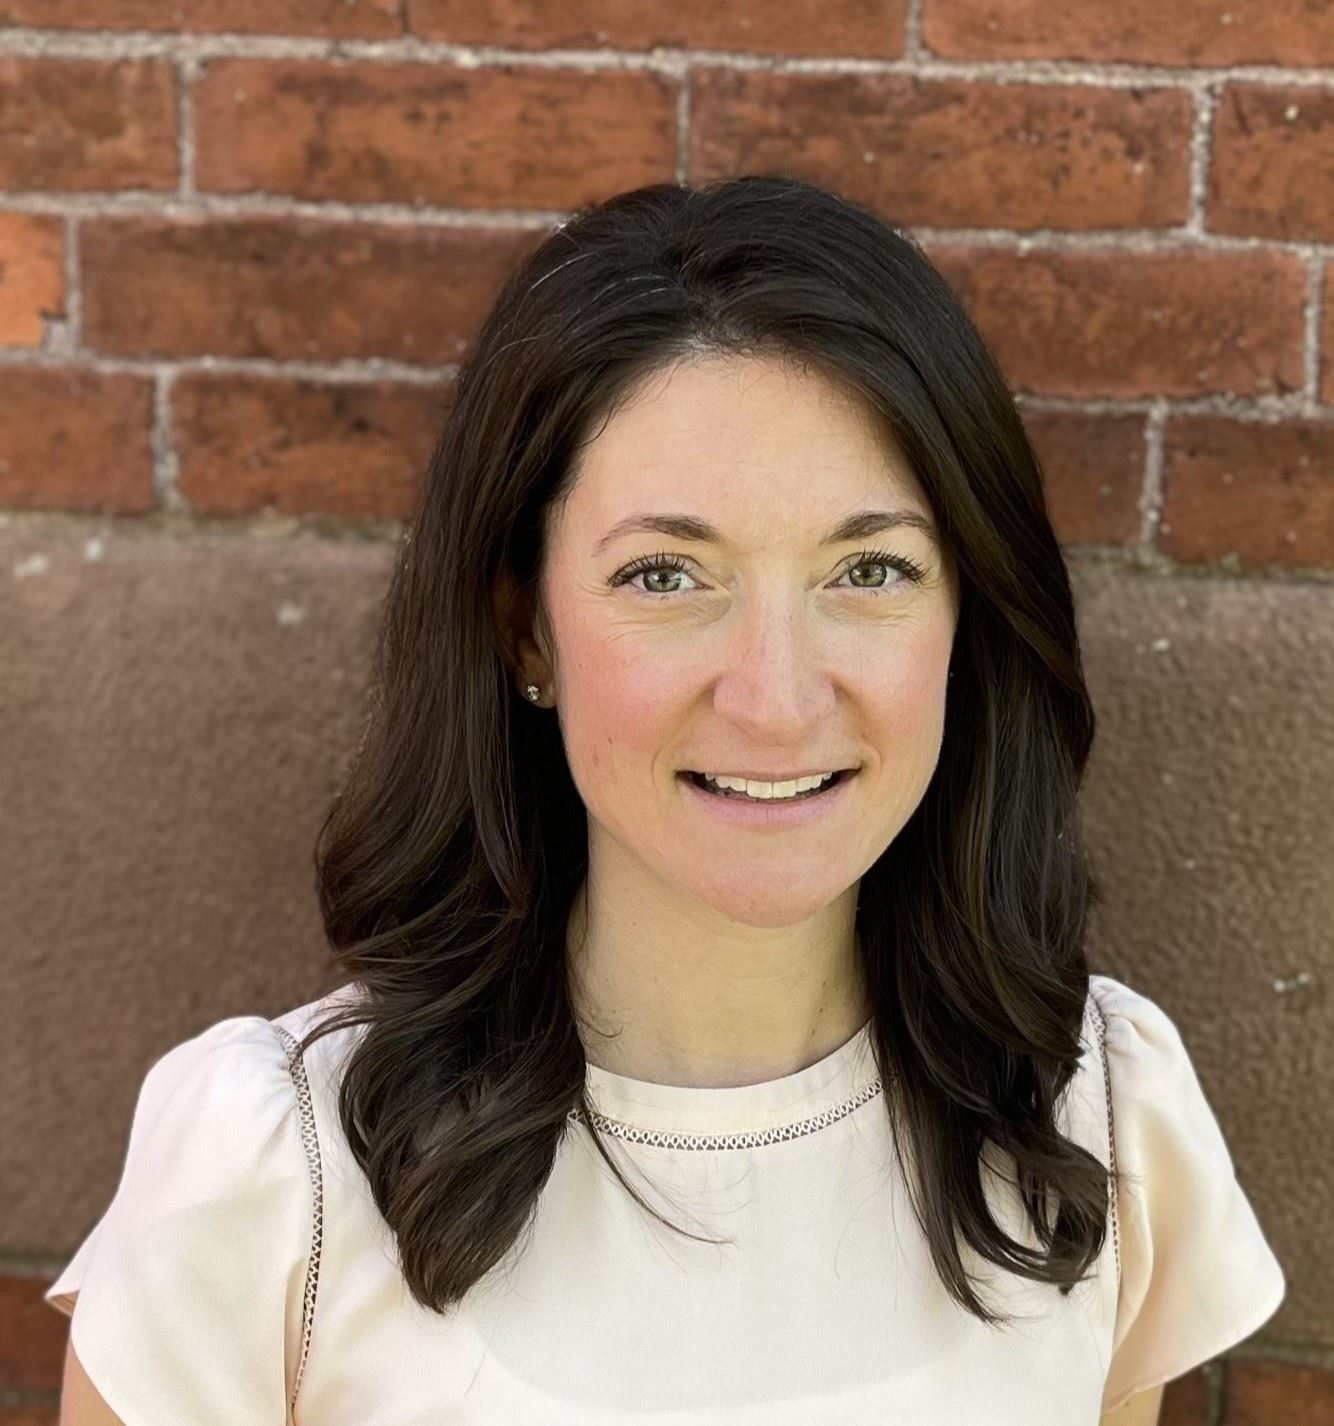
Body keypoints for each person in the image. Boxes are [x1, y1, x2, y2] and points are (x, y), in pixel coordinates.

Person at [45, 175, 1284, 1426]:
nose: (776, 699)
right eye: (664, 574)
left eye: (867, 569)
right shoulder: (278, 1176)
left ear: (966, 617)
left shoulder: (1094, 1116)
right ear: (524, 628)